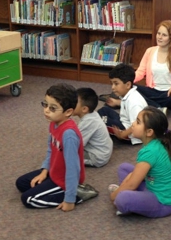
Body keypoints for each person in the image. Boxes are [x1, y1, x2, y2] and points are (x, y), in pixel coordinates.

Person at [16, 83, 98, 211]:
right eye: (45, 105)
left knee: (28, 199)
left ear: (68, 112)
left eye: (53, 108)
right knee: (21, 183)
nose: (46, 110)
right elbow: (51, 150)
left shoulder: (69, 135)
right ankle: (57, 188)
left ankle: (77, 195)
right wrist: (44, 171)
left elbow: (73, 169)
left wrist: (69, 200)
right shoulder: (54, 123)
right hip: (54, 171)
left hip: (64, 179)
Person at [108, 106, 171, 218]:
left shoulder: (150, 151)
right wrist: (129, 180)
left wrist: (114, 196)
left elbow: (132, 183)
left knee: (121, 199)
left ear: (149, 132)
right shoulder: (156, 142)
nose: (133, 124)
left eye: (138, 122)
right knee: (123, 168)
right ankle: (132, 195)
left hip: (162, 202)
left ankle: (129, 202)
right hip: (152, 185)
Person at [133, 20, 171, 112]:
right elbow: (140, 72)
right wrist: (128, 80)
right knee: (131, 88)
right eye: (158, 33)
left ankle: (147, 104)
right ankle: (157, 107)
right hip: (153, 91)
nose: (159, 37)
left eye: (164, 35)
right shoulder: (150, 51)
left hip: (170, 93)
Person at [97, 63, 148, 145]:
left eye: (116, 83)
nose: (112, 87)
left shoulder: (134, 102)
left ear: (128, 85)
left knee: (101, 120)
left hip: (131, 134)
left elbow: (138, 124)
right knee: (104, 110)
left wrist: (123, 134)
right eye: (112, 83)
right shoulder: (129, 94)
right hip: (124, 122)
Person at [73, 87, 113, 167]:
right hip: (103, 151)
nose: (70, 104)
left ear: (84, 109)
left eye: (74, 102)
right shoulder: (92, 114)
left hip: (97, 157)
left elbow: (76, 145)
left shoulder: (88, 122)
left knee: (66, 155)